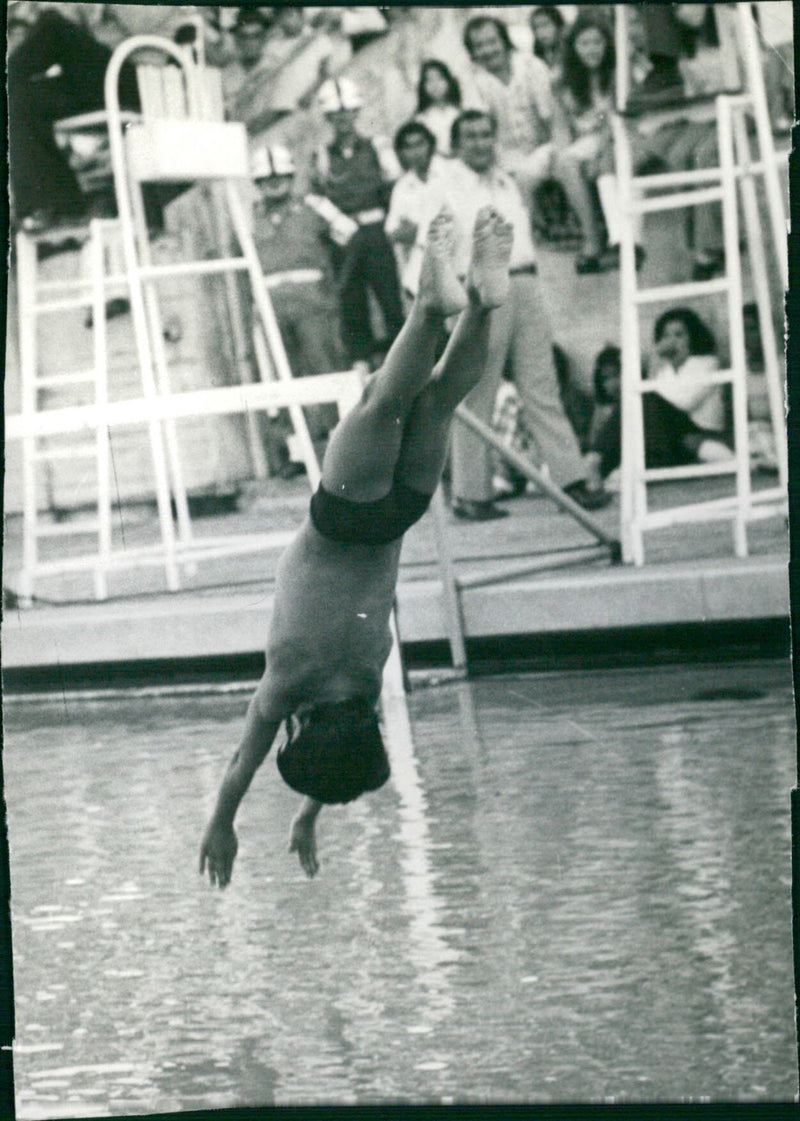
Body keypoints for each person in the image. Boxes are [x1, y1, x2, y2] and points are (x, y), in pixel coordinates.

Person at [199, 206, 514, 884]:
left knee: (436, 404)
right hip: (342, 520)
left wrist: (315, 810)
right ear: (299, 728)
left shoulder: (366, 687)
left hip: (401, 512)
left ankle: (484, 306)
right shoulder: (286, 686)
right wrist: (221, 821)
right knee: (381, 401)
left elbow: (342, 746)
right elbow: (239, 766)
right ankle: (430, 309)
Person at [443, 109, 611, 518]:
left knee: (542, 385)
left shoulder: (506, 182)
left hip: (524, 281)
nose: (481, 143)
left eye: (486, 134)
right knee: (476, 392)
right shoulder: (446, 188)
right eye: (471, 137)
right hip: (480, 288)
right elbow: (438, 252)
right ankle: (471, 494)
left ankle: (571, 480)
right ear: (457, 144)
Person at [462, 14, 608, 272]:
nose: (487, 50)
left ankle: (590, 242)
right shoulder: (474, 81)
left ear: (504, 41)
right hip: (504, 154)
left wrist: (556, 150)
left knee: (539, 173)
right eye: (479, 46)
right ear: (472, 51)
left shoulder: (531, 66)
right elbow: (480, 129)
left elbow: (553, 118)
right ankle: (523, 257)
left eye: (492, 42)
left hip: (545, 144)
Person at [250, 144, 344, 476]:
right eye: (266, 178)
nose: (274, 183)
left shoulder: (315, 206)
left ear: (291, 176)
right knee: (283, 377)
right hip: (271, 305)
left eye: (280, 177)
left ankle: (341, 444)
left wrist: (336, 287)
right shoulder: (250, 216)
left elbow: (352, 239)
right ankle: (295, 453)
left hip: (312, 302)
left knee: (323, 369)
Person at [308, 77, 405, 368]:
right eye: (335, 115)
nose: (343, 120)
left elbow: (395, 186)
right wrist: (336, 222)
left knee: (389, 294)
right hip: (344, 234)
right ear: (328, 118)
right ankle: (361, 359)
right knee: (351, 298)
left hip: (376, 229)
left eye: (348, 113)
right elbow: (314, 196)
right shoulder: (323, 155)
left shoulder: (377, 146)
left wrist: (391, 224)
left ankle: (400, 356)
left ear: (357, 113)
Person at [587, 309, 733, 482]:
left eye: (679, 335)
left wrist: (654, 363)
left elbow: (684, 402)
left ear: (693, 337)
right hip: (672, 436)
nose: (672, 342)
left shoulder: (707, 363)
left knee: (641, 399)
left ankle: (601, 460)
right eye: (666, 336)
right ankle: (597, 463)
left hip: (700, 433)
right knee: (635, 403)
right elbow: (656, 407)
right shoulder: (665, 371)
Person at [552, 11, 644, 272]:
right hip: (587, 139)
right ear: (574, 47)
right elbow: (560, 126)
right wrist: (560, 153)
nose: (591, 50)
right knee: (565, 163)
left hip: (619, 132)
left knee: (608, 164)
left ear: (607, 44)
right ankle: (592, 238)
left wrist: (602, 149)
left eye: (597, 43)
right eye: (584, 44)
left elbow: (616, 119)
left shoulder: (619, 70)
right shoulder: (564, 80)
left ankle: (624, 243)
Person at [385, 120, 451, 301]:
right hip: (421, 266)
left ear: (430, 145)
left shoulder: (450, 172)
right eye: (408, 147)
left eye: (420, 144)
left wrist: (417, 228)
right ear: (401, 153)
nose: (415, 152)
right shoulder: (403, 186)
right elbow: (392, 233)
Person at [415, 59, 462, 157]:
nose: (435, 85)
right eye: (429, 80)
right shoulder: (421, 119)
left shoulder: (458, 112)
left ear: (449, 81)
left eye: (439, 78)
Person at [530, 5, 567, 82]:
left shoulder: (570, 52)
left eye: (545, 25)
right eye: (536, 27)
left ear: (558, 26)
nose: (541, 32)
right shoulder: (534, 58)